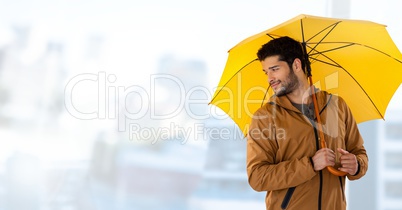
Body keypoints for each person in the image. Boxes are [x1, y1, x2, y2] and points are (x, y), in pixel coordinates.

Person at [246, 36, 368, 210]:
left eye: (274, 69)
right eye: (266, 72)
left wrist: (356, 165)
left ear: (296, 65)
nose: (269, 78)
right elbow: (258, 177)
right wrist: (310, 164)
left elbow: (359, 152)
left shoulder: (337, 105)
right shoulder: (265, 117)